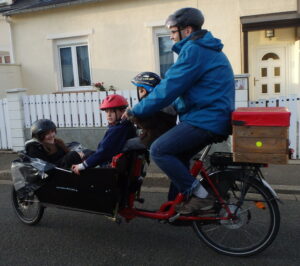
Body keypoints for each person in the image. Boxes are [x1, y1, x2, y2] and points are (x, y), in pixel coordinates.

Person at [122, 7, 235, 214]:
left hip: (205, 120)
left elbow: (168, 87)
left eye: (173, 32)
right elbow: (185, 91)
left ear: (187, 30)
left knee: (159, 149)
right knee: (179, 156)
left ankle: (202, 197)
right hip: (211, 117)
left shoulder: (195, 50)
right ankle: (177, 207)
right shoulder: (205, 49)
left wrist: (136, 110)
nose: (171, 37)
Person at [71, 94, 137, 175]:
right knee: (81, 151)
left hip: (106, 166)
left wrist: (82, 165)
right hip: (113, 162)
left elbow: (104, 152)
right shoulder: (125, 126)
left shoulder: (118, 130)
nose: (108, 114)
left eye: (112, 111)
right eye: (107, 111)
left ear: (122, 111)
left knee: (71, 156)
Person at [130, 71, 177, 148]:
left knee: (126, 145)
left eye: (139, 90)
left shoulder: (151, 106)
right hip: (162, 136)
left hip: (155, 139)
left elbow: (147, 123)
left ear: (143, 90)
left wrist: (132, 116)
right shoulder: (163, 102)